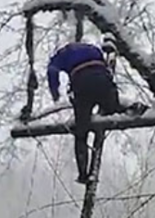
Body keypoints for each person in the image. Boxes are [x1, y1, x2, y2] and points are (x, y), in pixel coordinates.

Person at [47, 35, 147, 184]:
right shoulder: (93, 49)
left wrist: (55, 93)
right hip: (102, 79)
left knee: (81, 130)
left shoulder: (61, 55)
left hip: (82, 83)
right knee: (112, 108)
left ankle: (83, 174)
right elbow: (104, 65)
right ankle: (133, 108)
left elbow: (52, 71)